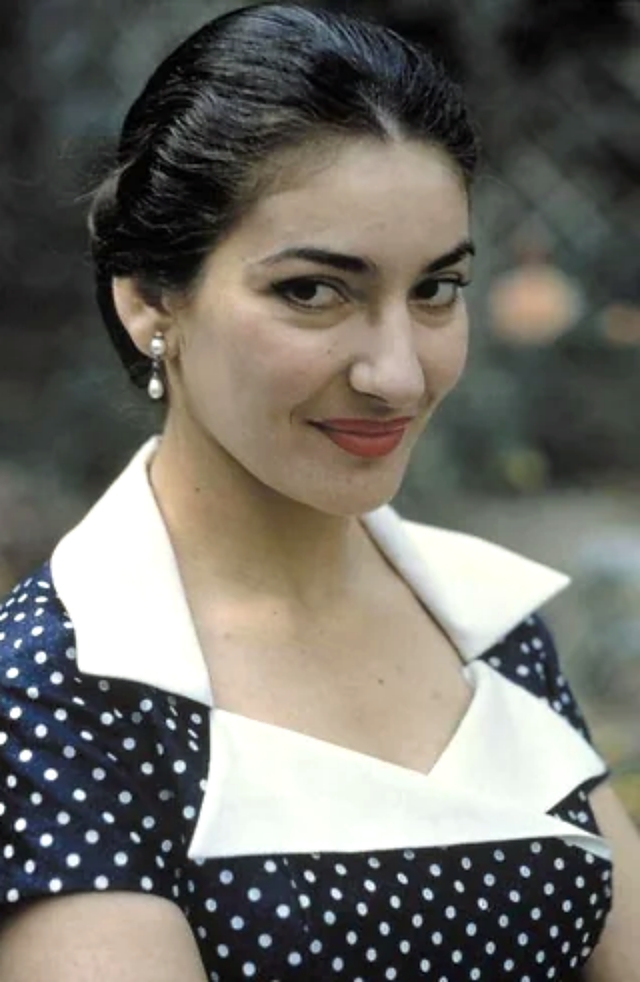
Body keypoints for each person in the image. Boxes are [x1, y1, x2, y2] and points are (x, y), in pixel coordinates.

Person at [0, 3, 639, 979]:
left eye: (434, 289)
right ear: (147, 298)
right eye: (312, 290)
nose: (397, 373)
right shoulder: (56, 692)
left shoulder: (489, 626)